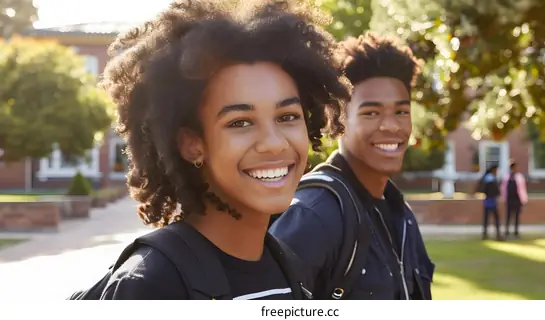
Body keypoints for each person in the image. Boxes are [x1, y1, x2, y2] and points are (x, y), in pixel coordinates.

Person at [96, 0, 350, 300]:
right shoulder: (152, 284)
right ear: (192, 144)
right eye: (240, 122)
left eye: (287, 117)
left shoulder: (292, 270)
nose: (274, 142)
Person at [270, 33, 434, 300]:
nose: (392, 126)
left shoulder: (402, 215)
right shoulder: (315, 214)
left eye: (401, 112)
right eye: (371, 112)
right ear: (338, 119)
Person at [500, 161, 528, 239]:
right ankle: (507, 231)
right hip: (509, 199)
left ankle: (516, 232)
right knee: (508, 216)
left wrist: (523, 199)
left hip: (517, 199)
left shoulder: (519, 177)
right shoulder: (506, 177)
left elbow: (522, 189)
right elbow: (503, 188)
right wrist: (504, 197)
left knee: (516, 216)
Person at [478, 164, 502, 241]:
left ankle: (485, 234)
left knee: (486, 218)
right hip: (491, 200)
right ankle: (497, 234)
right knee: (496, 218)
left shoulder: (486, 178)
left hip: (487, 200)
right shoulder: (491, 179)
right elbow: (495, 190)